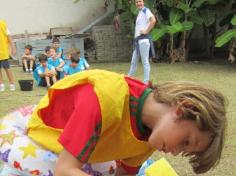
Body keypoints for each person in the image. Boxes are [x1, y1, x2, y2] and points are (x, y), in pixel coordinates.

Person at [23, 69, 227, 175]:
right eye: (185, 141)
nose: (174, 152)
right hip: (45, 141)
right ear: (181, 110)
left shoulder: (153, 135)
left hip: (89, 154)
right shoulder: (104, 99)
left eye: (183, 151)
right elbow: (64, 171)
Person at [128, 0, 156, 83]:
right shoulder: (140, 13)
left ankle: (146, 82)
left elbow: (153, 20)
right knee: (133, 62)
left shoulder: (145, 10)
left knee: (145, 62)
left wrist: (146, 31)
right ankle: (129, 79)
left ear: (143, 2)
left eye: (140, 1)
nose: (138, 3)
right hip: (138, 42)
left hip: (143, 40)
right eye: (136, 2)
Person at [0, 19, 16, 91]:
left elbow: (9, 37)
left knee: (7, 68)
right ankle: (1, 85)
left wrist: (13, 48)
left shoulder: (3, 24)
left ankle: (12, 84)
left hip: (3, 51)